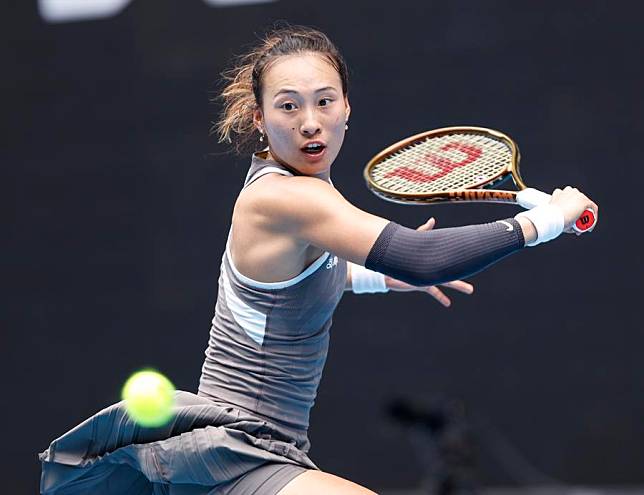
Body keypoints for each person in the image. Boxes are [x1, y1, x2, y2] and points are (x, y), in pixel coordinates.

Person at [39, 25, 598, 495]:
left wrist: (377, 278)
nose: (310, 121)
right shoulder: (286, 197)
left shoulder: (292, 194)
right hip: (232, 455)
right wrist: (542, 222)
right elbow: (424, 258)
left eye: (324, 100)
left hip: (272, 449)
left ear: (347, 107)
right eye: (288, 105)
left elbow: (288, 282)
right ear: (259, 118)